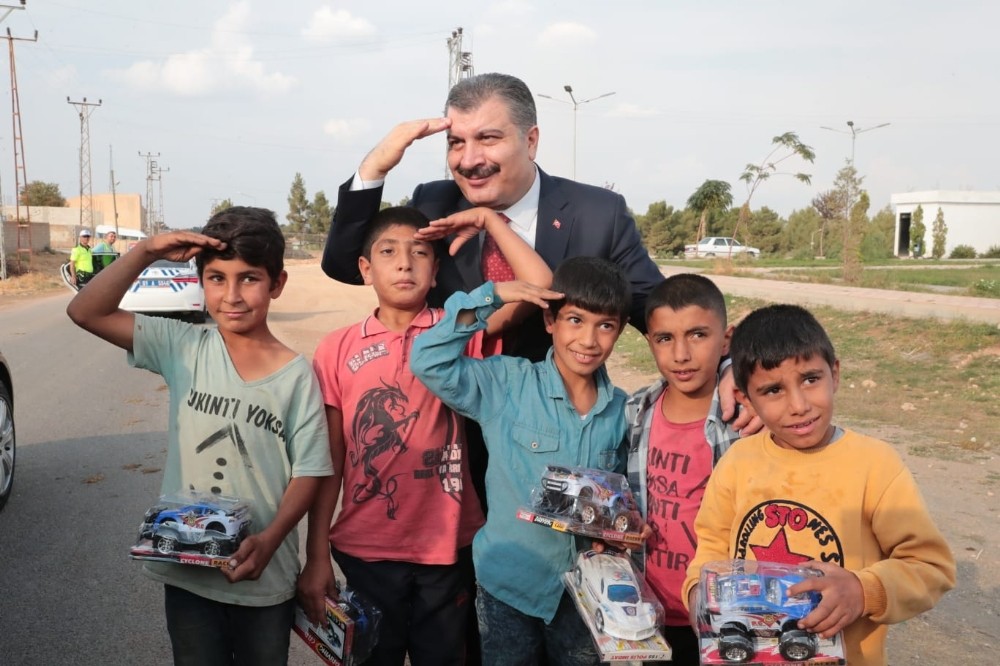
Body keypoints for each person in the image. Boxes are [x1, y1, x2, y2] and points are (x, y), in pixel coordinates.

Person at [66, 207, 334, 666]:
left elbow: (310, 470)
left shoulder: (297, 376)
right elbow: (85, 310)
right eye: (216, 278)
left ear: (278, 283)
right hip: (189, 572)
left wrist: (270, 540)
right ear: (200, 282)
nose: (232, 295)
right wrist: (147, 251)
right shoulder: (183, 346)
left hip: (263, 577)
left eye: (249, 278)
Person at [300, 205, 553, 666]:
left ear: (436, 271)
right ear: (365, 268)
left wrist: (491, 222)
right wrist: (316, 554)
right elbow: (329, 460)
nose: (404, 263)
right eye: (389, 252)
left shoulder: (457, 328)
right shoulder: (337, 348)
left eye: (420, 253)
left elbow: (538, 283)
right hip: (366, 549)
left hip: (448, 547)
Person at [322, 72, 664, 363]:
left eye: (487, 138)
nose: (468, 160)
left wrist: (720, 367)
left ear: (530, 141)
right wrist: (374, 167)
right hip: (448, 429)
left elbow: (657, 312)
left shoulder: (598, 215)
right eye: (456, 142)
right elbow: (347, 266)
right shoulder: (434, 205)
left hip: (554, 430)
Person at [681, 304, 956, 666]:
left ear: (835, 374)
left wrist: (863, 590)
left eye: (811, 379)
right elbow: (712, 549)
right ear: (746, 400)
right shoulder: (737, 462)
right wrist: (698, 594)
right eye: (773, 390)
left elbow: (930, 566)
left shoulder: (875, 465)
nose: (799, 405)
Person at [411, 256, 629, 666]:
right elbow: (428, 361)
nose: (588, 340)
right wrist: (492, 296)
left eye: (606, 326)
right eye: (575, 320)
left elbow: (616, 497)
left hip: (585, 595)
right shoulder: (507, 383)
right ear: (550, 321)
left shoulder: (621, 410)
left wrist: (617, 530)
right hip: (508, 586)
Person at [624, 273, 741, 665]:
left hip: (720, 613)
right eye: (665, 339)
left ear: (726, 339)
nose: (681, 355)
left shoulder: (743, 420)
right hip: (649, 611)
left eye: (697, 335)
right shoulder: (636, 412)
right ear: (650, 342)